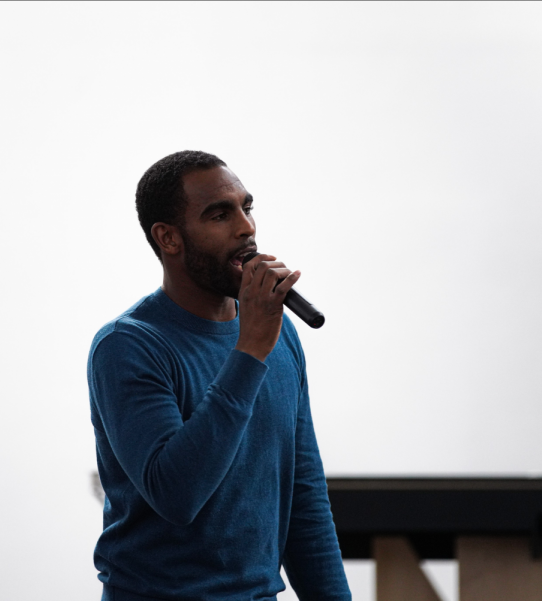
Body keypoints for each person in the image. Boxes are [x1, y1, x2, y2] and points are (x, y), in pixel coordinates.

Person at [87, 150, 351, 601]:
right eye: (219, 215)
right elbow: (177, 495)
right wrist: (249, 350)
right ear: (169, 238)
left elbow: (303, 497)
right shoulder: (127, 346)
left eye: (247, 208)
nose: (246, 227)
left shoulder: (278, 333)